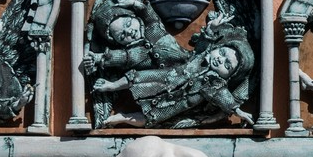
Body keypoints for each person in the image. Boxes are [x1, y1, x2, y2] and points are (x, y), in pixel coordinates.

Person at [93, 27, 255, 129]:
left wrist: (238, 111)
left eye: (227, 66)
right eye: (222, 53)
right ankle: (112, 86)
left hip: (177, 103)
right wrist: (210, 30)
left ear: (229, 76)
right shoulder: (200, 56)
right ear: (217, 48)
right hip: (165, 78)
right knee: (137, 78)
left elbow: (224, 97)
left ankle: (121, 118)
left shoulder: (215, 84)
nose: (220, 59)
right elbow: (204, 43)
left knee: (152, 117)